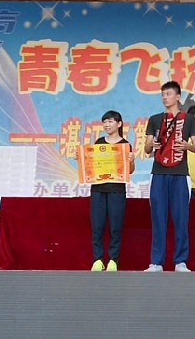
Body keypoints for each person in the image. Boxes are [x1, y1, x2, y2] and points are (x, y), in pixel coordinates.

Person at [143, 81, 195, 272]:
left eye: (168, 94)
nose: (165, 97)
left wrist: (187, 146)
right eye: (162, 94)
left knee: (181, 218)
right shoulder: (155, 119)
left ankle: (180, 261)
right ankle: (156, 262)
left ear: (178, 97)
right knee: (158, 217)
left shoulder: (189, 119)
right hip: (159, 173)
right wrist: (152, 145)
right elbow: (147, 148)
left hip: (180, 173)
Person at [90, 110, 135, 271]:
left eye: (110, 121)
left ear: (119, 123)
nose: (107, 125)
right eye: (104, 122)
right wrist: (81, 158)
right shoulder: (99, 142)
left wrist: (131, 161)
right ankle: (97, 259)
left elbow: (130, 171)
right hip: (98, 189)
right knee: (97, 226)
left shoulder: (125, 145)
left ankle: (113, 260)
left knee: (115, 226)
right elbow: (91, 164)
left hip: (117, 190)